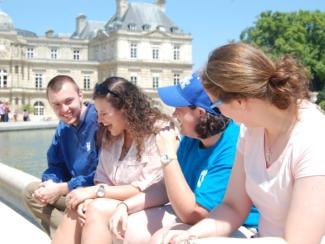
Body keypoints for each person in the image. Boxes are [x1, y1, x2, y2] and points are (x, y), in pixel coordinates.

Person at [162, 43, 325, 244]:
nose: (216, 113)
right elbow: (233, 207)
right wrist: (192, 234)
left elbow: (300, 241)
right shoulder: (250, 130)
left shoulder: (314, 138)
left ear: (240, 101)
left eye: (215, 104)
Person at [108, 73, 259, 244]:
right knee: (130, 229)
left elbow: (194, 214)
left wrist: (168, 156)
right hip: (195, 216)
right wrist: (125, 206)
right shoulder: (193, 138)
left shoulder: (232, 145)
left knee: (162, 239)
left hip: (236, 226)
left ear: (200, 113)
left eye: (179, 108)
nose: (173, 114)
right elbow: (166, 187)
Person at [52, 76, 172, 244]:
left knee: (95, 208)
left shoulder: (157, 131)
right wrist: (87, 197)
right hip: (115, 202)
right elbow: (101, 178)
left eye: (104, 113)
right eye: (97, 113)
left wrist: (95, 192)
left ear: (125, 108)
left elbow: (146, 189)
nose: (99, 120)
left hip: (147, 205)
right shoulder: (110, 134)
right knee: (78, 207)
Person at [23, 75, 99, 238]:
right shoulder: (63, 126)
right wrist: (50, 182)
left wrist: (65, 187)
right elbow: (56, 165)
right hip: (73, 190)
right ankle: (73, 236)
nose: (64, 109)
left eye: (68, 101)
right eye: (57, 105)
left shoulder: (99, 121)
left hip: (94, 193)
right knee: (32, 192)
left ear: (80, 95)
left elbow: (103, 175)